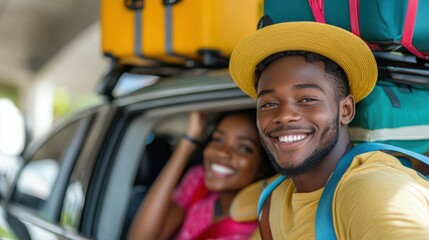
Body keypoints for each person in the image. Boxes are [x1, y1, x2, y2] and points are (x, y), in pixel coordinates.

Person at [229, 22, 429, 239]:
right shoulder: (273, 201)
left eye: (307, 99)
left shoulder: (373, 190)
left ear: (345, 110)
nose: (284, 115)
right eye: (268, 104)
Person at [128, 109, 274, 240]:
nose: (222, 152)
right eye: (218, 139)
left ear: (262, 166)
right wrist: (189, 139)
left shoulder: (264, 226)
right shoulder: (198, 180)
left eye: (244, 148)